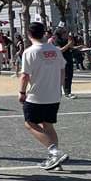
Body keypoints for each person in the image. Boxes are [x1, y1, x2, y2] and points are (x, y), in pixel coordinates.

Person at [20, 22, 69, 170]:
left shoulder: (29, 52)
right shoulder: (55, 50)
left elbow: (24, 75)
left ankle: (54, 151)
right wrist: (59, 87)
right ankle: (55, 160)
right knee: (48, 125)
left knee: (29, 124)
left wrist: (21, 92)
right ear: (43, 34)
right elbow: (62, 70)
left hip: (36, 95)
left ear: (29, 34)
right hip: (53, 94)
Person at [49, 26, 77, 100]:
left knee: (69, 76)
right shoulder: (56, 40)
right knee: (64, 77)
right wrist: (68, 44)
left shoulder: (66, 39)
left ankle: (68, 92)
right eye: (65, 32)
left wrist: (75, 45)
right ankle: (65, 93)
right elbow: (60, 50)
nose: (66, 34)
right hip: (61, 60)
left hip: (69, 59)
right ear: (60, 33)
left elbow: (71, 47)